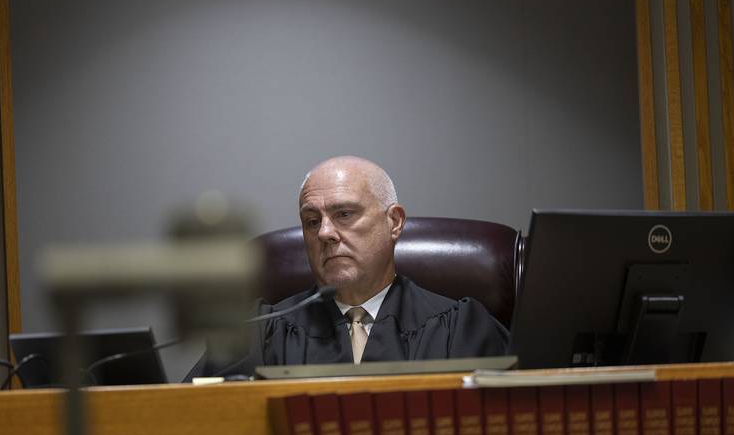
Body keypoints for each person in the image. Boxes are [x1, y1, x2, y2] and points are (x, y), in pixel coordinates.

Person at [189, 156, 508, 378]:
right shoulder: (262, 333)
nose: (324, 233)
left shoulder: (459, 328)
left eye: (344, 214)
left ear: (394, 222)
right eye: (312, 221)